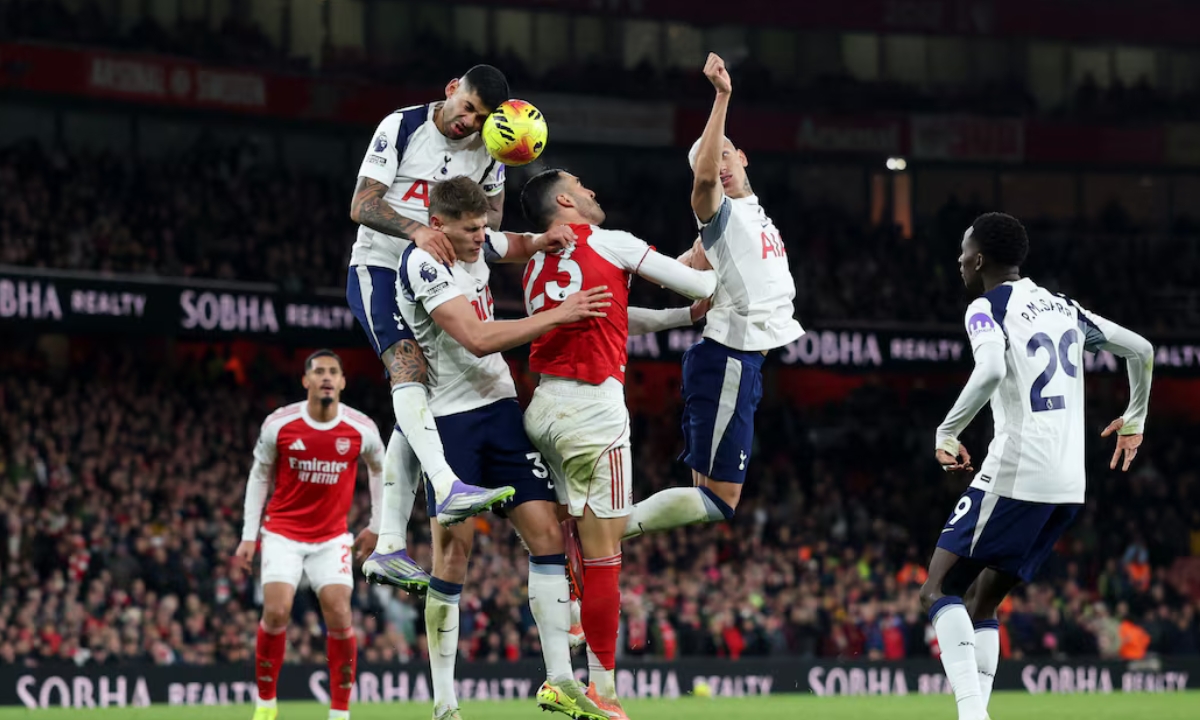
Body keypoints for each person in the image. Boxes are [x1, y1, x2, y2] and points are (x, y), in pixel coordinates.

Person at [918, 212, 1154, 720]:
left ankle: (969, 715)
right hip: (1068, 485)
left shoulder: (987, 305)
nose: (958, 260)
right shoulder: (1065, 308)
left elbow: (991, 368)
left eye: (963, 250)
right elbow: (1141, 349)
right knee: (982, 603)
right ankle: (978, 712)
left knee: (939, 589)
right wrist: (1135, 417)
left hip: (1019, 469)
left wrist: (947, 431)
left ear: (979, 258)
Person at [397, 177, 610, 720]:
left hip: (500, 408)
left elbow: (507, 243)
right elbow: (477, 337)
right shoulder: (424, 263)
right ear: (438, 226)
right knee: (454, 552)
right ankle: (445, 702)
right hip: (450, 420)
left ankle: (560, 680)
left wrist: (540, 242)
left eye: (481, 228)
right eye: (469, 231)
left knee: (545, 533)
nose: (479, 239)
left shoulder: (476, 239)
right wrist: (559, 314)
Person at [519, 168, 717, 717]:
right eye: (583, 185)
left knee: (578, 530)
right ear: (564, 200)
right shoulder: (611, 242)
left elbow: (615, 316)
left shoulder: (538, 262)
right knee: (607, 552)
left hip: (543, 408)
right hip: (592, 411)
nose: (593, 191)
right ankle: (604, 696)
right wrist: (710, 253)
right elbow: (702, 284)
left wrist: (681, 317)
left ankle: (576, 615)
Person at [346, 64, 550, 594]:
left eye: (482, 119)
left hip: (439, 282)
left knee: (421, 403)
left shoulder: (488, 150)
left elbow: (491, 228)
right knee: (407, 369)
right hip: (382, 268)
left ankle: (389, 546)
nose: (469, 122)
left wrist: (504, 163)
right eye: (467, 108)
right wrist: (417, 229)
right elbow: (361, 204)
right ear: (451, 89)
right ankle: (442, 487)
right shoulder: (402, 125)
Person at [620, 53, 804, 541]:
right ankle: (610, 530)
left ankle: (607, 532)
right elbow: (703, 185)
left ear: (742, 157)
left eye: (724, 153)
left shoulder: (747, 217)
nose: (717, 165)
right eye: (707, 158)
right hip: (730, 358)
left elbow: (679, 268)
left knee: (707, 491)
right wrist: (722, 95)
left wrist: (681, 278)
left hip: (737, 362)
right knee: (721, 499)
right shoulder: (717, 213)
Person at [236, 351, 385, 720]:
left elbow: (380, 469)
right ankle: (267, 704)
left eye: (333, 371)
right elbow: (259, 476)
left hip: (331, 536)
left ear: (343, 381)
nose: (326, 377)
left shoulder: (361, 427)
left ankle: (339, 712)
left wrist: (378, 526)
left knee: (338, 613)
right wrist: (248, 536)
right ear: (306, 381)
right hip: (283, 532)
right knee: (276, 610)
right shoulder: (280, 424)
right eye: (318, 372)